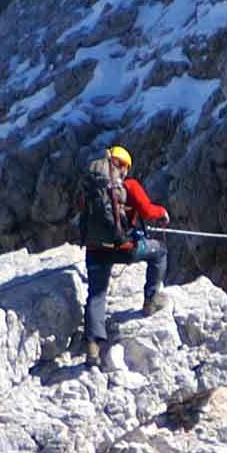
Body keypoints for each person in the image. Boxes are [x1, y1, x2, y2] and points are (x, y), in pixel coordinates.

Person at [76, 145, 169, 362]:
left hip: (95, 250)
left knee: (96, 295)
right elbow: (148, 211)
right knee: (160, 252)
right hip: (124, 249)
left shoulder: (89, 188)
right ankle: (151, 299)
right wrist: (162, 213)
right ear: (124, 166)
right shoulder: (129, 186)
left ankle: (92, 347)